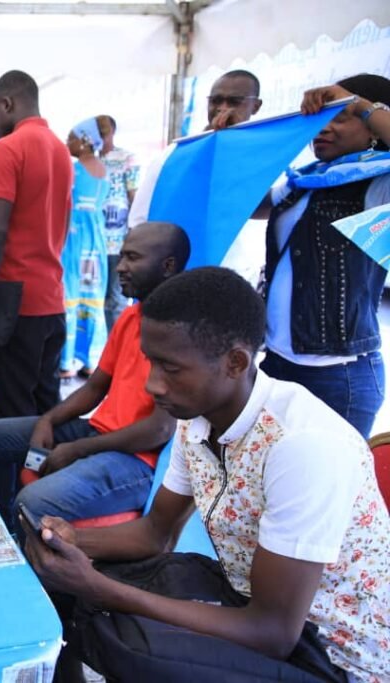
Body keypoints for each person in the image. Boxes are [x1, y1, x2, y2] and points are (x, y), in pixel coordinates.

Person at [24, 266, 390, 683]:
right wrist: (69, 540)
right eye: (151, 363)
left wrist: (98, 587)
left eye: (170, 368)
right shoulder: (197, 419)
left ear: (235, 362)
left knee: (133, 644)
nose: (152, 385)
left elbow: (272, 633)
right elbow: (155, 534)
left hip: (333, 658)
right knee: (81, 593)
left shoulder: (302, 446)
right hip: (249, 597)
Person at [0, 222, 187, 529]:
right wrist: (48, 420)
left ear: (167, 266)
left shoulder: (182, 333)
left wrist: (78, 450)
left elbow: (158, 430)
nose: (120, 267)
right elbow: (94, 388)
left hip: (138, 460)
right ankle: (5, 530)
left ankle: (23, 543)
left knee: (32, 500)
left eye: (132, 258)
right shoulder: (131, 316)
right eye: (122, 256)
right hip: (99, 433)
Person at [255, 74, 390, 438]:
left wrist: (359, 104)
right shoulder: (304, 182)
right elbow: (246, 203)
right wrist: (235, 143)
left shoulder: (378, 185)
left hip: (338, 377)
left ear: (372, 127)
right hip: (277, 365)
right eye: (319, 119)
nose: (323, 128)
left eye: (339, 117)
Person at [0, 70, 72, 419]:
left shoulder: (6, 149)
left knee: (14, 417)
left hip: (15, 305)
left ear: (6, 104)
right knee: (46, 412)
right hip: (52, 299)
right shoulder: (60, 149)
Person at [129, 70, 266, 285]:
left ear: (256, 106)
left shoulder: (264, 154)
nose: (222, 108)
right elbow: (140, 219)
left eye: (234, 102)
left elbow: (266, 205)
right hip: (182, 280)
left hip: (239, 279)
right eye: (216, 101)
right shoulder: (173, 156)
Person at [60, 117, 110, 379]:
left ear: (84, 141)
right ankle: (91, 360)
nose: (67, 142)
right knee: (92, 297)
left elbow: (65, 206)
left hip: (74, 238)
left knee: (69, 295)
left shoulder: (73, 171)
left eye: (71, 138)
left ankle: (67, 361)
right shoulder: (104, 170)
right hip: (96, 240)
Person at [98, 115, 140, 330]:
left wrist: (134, 235)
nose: (99, 137)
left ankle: (117, 340)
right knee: (95, 297)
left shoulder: (126, 159)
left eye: (103, 132)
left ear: (112, 132)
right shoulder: (85, 163)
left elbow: (134, 196)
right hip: (92, 243)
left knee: (116, 296)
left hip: (117, 240)